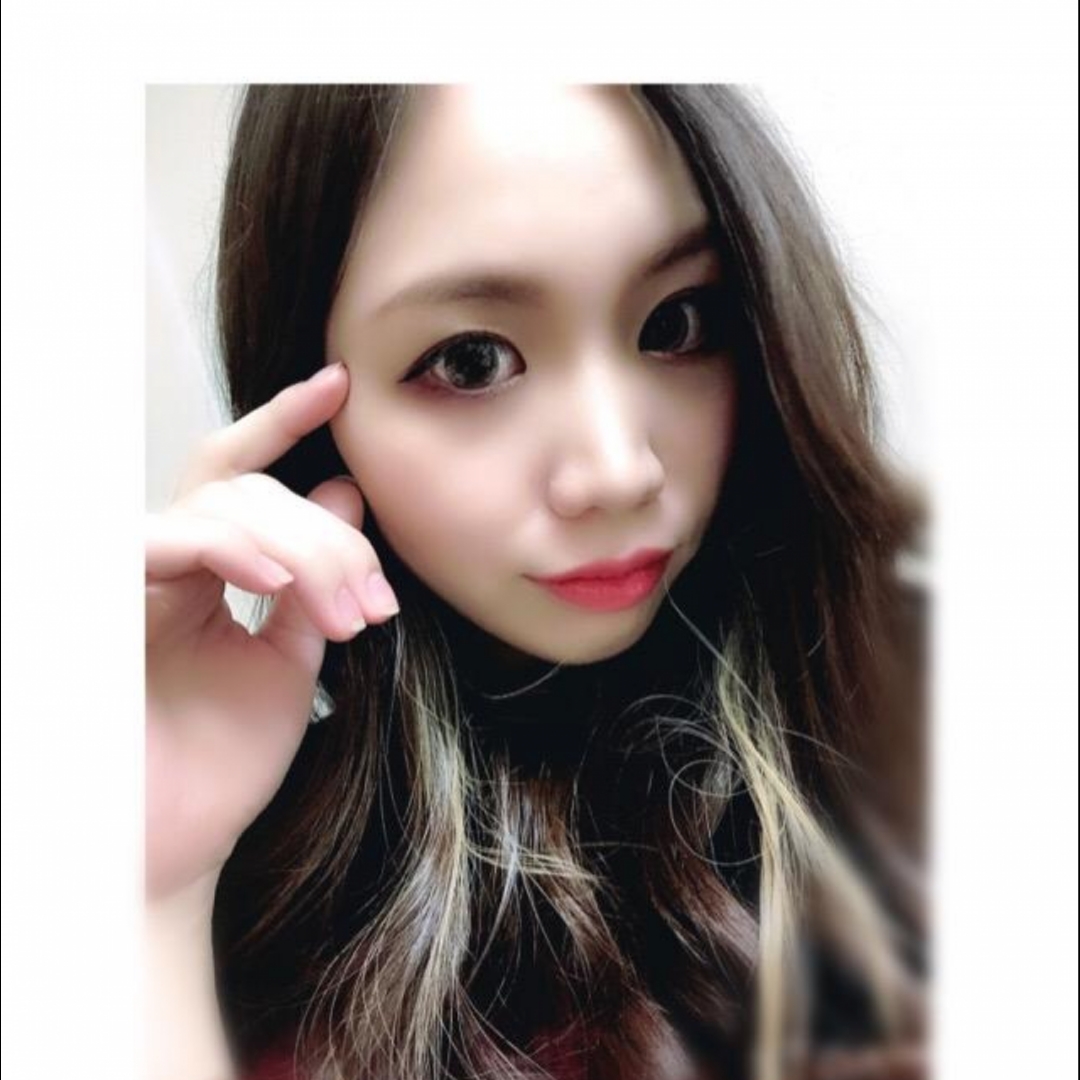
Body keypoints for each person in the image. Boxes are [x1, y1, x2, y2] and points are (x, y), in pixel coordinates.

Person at [145, 84, 929, 1080]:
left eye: (678, 322)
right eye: (472, 361)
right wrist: (156, 879)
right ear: (314, 415)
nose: (618, 470)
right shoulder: (264, 925)